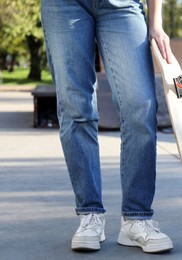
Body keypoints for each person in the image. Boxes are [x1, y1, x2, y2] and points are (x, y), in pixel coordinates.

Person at [41, 0, 173, 253]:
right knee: (75, 108)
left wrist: (156, 22)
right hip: (63, 6)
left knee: (140, 106)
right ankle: (90, 215)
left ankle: (137, 218)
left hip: (122, 6)